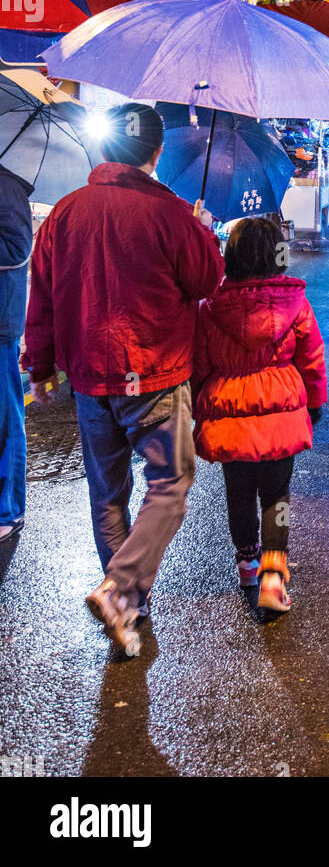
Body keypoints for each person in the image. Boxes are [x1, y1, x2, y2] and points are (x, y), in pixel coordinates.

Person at [22, 103, 223, 656]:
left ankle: (125, 605)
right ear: (157, 154)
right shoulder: (173, 214)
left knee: (108, 493)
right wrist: (202, 230)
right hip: (155, 373)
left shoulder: (65, 213)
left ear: (105, 150)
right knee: (171, 484)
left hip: (90, 378)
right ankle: (122, 591)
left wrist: (40, 368)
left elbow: (40, 300)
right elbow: (206, 281)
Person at [192, 217, 326, 613]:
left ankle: (247, 563)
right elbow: (313, 359)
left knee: (238, 491)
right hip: (280, 413)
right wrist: (314, 403)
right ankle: (273, 577)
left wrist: (201, 403)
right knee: (276, 495)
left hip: (228, 412)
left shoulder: (210, 308)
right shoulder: (295, 303)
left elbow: (199, 364)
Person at [0, 167, 33, 544]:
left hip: (1, 326)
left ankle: (7, 508)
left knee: (5, 420)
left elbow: (17, 249)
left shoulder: (7, 186)